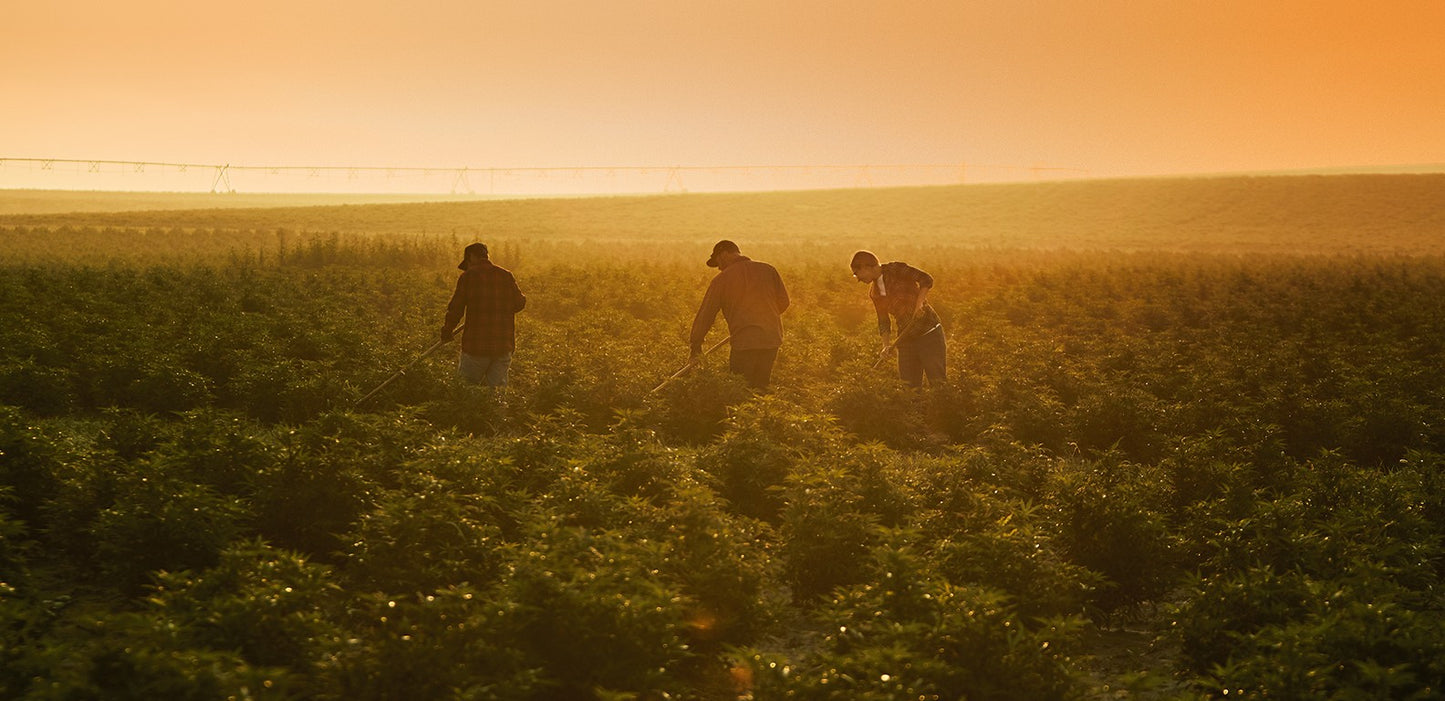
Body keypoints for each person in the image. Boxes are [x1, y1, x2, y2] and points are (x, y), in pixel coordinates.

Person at [690, 240, 790, 389]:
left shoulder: (721, 280)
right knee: (761, 388)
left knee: (740, 388)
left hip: (745, 342)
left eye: (718, 262)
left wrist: (696, 345)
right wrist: (764, 317)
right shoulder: (768, 270)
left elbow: (706, 314)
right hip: (771, 340)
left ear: (724, 254)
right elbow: (784, 301)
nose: (718, 268)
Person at [850, 250, 946, 387]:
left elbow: (926, 279)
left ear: (866, 267)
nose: (858, 279)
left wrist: (919, 305)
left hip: (928, 332)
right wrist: (886, 346)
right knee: (908, 389)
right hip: (906, 338)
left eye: (856, 273)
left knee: (938, 382)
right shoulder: (874, 293)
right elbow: (883, 321)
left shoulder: (896, 269)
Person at [441, 242, 527, 387]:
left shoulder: (468, 277)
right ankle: (496, 410)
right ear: (486, 256)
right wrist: (501, 310)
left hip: (475, 346)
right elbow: (520, 302)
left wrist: (447, 331)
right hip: (503, 345)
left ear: (471, 257)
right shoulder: (506, 275)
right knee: (497, 394)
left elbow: (456, 309)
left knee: (466, 389)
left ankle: (471, 411)